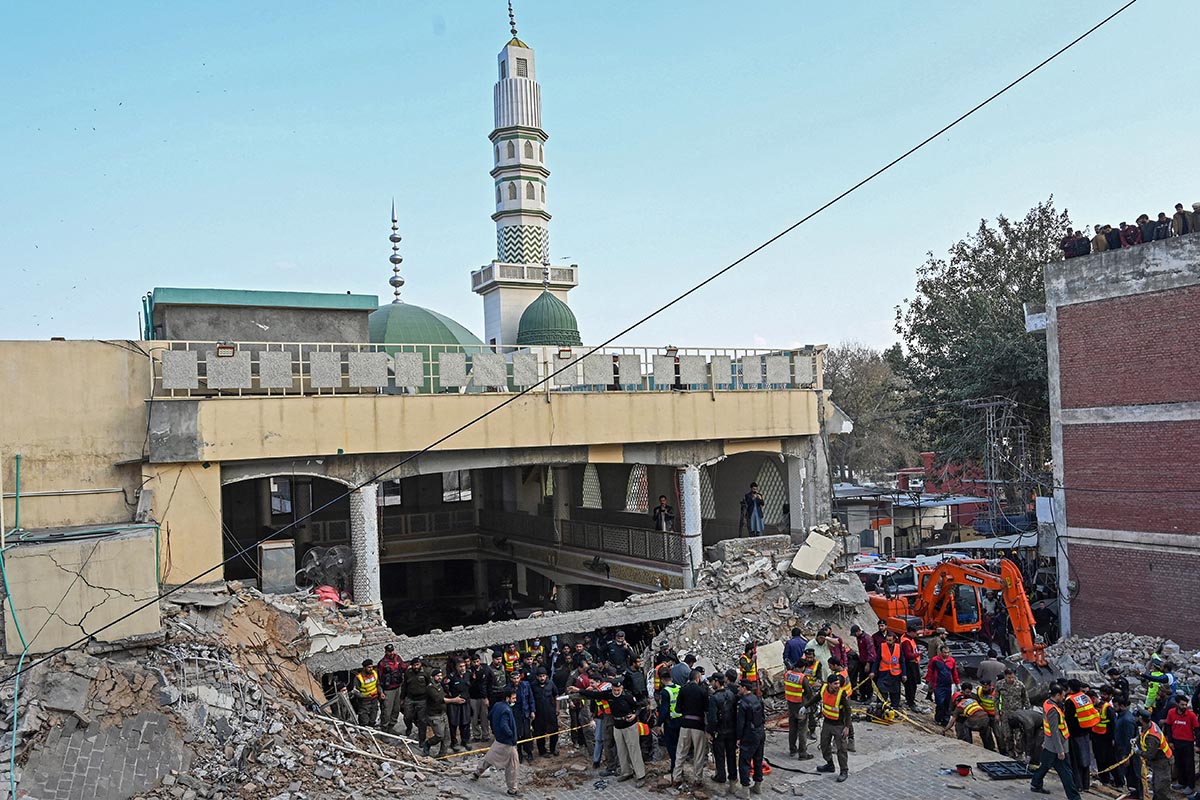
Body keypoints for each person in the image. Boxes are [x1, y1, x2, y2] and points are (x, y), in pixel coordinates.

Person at [571, 676, 647, 786]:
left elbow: (638, 707)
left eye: (618, 690)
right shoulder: (608, 694)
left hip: (629, 726)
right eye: (615, 690)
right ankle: (626, 772)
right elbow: (593, 695)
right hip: (617, 726)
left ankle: (641, 775)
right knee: (621, 751)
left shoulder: (627, 696)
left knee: (634, 750)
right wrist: (579, 690)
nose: (616, 692)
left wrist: (635, 715)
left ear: (622, 688)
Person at [1030, 683, 1082, 800]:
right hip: (1057, 746)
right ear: (1057, 695)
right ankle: (1074, 797)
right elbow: (1055, 731)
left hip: (1050, 744)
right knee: (1066, 773)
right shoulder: (1053, 710)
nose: (1064, 697)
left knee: (1045, 765)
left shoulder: (1047, 703)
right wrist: (1060, 750)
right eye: (1062, 695)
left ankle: (1035, 783)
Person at [472, 685, 521, 797]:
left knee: (489, 758)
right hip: (508, 742)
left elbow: (490, 716)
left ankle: (477, 773)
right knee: (512, 766)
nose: (515, 700)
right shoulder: (506, 710)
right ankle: (512, 789)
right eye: (513, 698)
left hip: (498, 740)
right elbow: (504, 725)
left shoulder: (497, 705)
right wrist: (511, 734)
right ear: (507, 698)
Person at [673, 669, 710, 787]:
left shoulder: (683, 690)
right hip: (698, 725)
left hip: (685, 724)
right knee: (698, 753)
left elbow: (677, 709)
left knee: (681, 752)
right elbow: (707, 709)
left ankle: (676, 777)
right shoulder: (702, 691)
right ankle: (697, 779)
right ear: (698, 678)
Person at [1063, 679, 1098, 791]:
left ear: (1070, 688)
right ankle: (1085, 784)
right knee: (1085, 759)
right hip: (1086, 731)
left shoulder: (1070, 701)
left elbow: (1068, 719)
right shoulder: (1085, 697)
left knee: (1076, 761)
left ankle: (1078, 785)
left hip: (1075, 734)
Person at [816, 672, 851, 783]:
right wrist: (805, 707)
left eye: (838, 683)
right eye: (835, 684)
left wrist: (847, 727)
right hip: (827, 723)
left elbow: (848, 711)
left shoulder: (841, 694)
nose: (837, 685)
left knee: (841, 749)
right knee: (824, 745)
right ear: (829, 684)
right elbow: (817, 698)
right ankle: (830, 765)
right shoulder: (824, 689)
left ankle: (844, 771)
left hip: (839, 726)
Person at [707, 673, 739, 787]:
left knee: (719, 755)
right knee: (731, 755)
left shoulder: (714, 698)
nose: (711, 684)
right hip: (731, 730)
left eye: (712, 682)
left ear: (716, 682)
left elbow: (712, 718)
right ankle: (733, 777)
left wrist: (709, 732)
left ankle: (721, 776)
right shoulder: (731, 694)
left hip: (719, 731)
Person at [736, 679, 767, 796]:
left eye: (740, 687)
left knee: (744, 761)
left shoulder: (743, 703)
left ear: (744, 688)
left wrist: (738, 738)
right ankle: (758, 786)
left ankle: (745, 791)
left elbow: (741, 723)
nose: (738, 689)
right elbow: (763, 716)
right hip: (760, 732)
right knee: (758, 759)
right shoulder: (757, 699)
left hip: (749, 735)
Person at [1136, 708, 1174, 800]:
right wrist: (1137, 740)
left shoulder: (1152, 736)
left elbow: (1150, 755)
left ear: (1141, 720)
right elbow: (1143, 735)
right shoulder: (1150, 725)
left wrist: (1138, 752)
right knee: (1156, 785)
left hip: (1163, 762)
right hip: (1158, 761)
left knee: (1161, 788)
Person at [945, 682, 994, 750]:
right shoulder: (956, 698)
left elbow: (979, 706)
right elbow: (951, 711)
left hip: (975, 717)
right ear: (962, 691)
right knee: (962, 729)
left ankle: (989, 747)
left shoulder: (973, 696)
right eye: (967, 692)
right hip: (961, 718)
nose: (969, 694)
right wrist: (961, 713)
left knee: (985, 730)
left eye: (970, 692)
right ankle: (966, 744)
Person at [1166, 695, 1197, 792]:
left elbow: (1197, 729)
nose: (1184, 706)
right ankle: (1182, 782)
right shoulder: (1171, 713)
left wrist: (1198, 745)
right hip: (1176, 742)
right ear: (1177, 704)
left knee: (1189, 764)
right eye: (1182, 704)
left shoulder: (1191, 715)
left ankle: (1190, 785)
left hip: (1188, 743)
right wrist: (1170, 741)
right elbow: (1168, 726)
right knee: (1179, 763)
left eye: (1185, 705)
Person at [997, 668, 1030, 754]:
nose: (1011, 679)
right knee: (1008, 736)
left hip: (1018, 715)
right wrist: (997, 713)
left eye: (1012, 677)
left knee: (1019, 736)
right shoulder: (1000, 685)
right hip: (1005, 714)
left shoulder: (1020, 685)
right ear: (1005, 676)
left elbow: (1026, 700)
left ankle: (1019, 753)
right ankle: (1010, 753)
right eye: (1009, 677)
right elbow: (996, 700)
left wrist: (1027, 714)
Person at [658, 667, 683, 773]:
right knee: (680, 746)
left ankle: (674, 768)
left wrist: (659, 723)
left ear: (662, 680)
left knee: (672, 746)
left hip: (671, 722)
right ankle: (679, 767)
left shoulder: (665, 692)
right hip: (681, 720)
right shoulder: (679, 688)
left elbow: (664, 710)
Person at [1111, 696, 1138, 795]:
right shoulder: (1121, 716)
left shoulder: (1127, 720)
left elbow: (1128, 740)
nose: (1114, 708)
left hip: (1125, 750)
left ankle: (1135, 792)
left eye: (1115, 706)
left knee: (1130, 772)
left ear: (1122, 706)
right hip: (1120, 747)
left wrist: (1126, 756)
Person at [424, 667, 453, 758]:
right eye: (437, 676)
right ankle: (428, 743)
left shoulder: (440, 685)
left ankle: (442, 755)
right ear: (432, 677)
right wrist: (454, 700)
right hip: (434, 715)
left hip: (443, 713)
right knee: (440, 736)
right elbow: (439, 699)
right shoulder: (430, 688)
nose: (440, 677)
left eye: (441, 675)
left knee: (447, 737)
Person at [530, 668, 560, 757]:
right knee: (539, 733)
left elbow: (556, 695)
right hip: (538, 714)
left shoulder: (550, 683)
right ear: (537, 677)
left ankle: (553, 749)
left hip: (550, 712)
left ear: (546, 676)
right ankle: (542, 751)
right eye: (540, 676)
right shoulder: (533, 686)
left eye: (543, 676)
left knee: (554, 731)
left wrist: (557, 708)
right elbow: (530, 699)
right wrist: (532, 711)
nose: (542, 678)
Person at [402, 655, 432, 742]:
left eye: (417, 665)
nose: (416, 667)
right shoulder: (408, 673)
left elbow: (429, 685)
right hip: (410, 698)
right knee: (407, 717)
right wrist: (402, 698)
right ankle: (409, 728)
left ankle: (422, 739)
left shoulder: (425, 672)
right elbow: (405, 685)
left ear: (420, 664)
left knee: (422, 720)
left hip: (422, 699)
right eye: (414, 665)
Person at [446, 659, 472, 752]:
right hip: (455, 703)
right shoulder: (451, 676)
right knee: (453, 723)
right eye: (460, 666)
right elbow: (444, 685)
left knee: (465, 723)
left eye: (464, 666)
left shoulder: (468, 674)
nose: (462, 668)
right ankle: (454, 742)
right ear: (456, 667)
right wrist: (450, 696)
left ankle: (465, 741)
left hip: (465, 702)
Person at [1091, 685, 1115, 786]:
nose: (1102, 696)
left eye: (1104, 694)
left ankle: (1110, 778)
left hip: (1106, 736)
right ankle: (1103, 777)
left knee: (1107, 758)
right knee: (1099, 758)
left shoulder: (1107, 707)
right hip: (1096, 735)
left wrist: (1113, 738)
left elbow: (1113, 723)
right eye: (1102, 694)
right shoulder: (1098, 705)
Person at [875, 630, 904, 711]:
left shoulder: (898, 647)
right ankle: (881, 707)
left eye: (890, 640)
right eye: (887, 640)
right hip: (883, 673)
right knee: (882, 691)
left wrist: (904, 674)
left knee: (895, 692)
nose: (888, 642)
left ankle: (894, 707)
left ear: (894, 640)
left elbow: (902, 661)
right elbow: (877, 660)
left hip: (895, 674)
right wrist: (873, 671)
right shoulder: (882, 646)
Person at [378, 645, 404, 732]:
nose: (391, 653)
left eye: (392, 651)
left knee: (396, 710)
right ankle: (384, 729)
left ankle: (391, 727)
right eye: (389, 651)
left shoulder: (398, 658)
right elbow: (379, 679)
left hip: (398, 688)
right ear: (386, 652)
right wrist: (381, 692)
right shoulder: (382, 663)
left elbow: (404, 667)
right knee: (387, 712)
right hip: (388, 690)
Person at [511, 671, 535, 762]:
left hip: (525, 713)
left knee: (527, 734)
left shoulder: (526, 686)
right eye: (514, 679)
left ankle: (529, 752)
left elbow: (531, 698)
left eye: (517, 678)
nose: (516, 680)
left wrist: (532, 711)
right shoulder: (508, 688)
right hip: (514, 714)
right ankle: (519, 753)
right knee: (517, 734)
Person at [849, 624, 876, 702]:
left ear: (858, 631)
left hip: (869, 662)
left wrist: (868, 663)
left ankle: (869, 697)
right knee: (861, 680)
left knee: (868, 681)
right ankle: (863, 696)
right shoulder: (859, 638)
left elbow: (870, 651)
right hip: (862, 661)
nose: (854, 636)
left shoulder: (867, 638)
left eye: (855, 634)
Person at [468, 655, 491, 742]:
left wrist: (486, 697)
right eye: (474, 662)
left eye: (477, 661)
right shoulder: (469, 671)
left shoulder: (485, 669)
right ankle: (476, 735)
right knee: (474, 718)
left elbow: (488, 682)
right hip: (473, 697)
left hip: (483, 697)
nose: (476, 663)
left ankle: (486, 735)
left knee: (484, 717)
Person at [976, 678, 1003, 754]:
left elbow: (1000, 704)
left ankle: (1003, 750)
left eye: (986, 687)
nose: (984, 689)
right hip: (985, 715)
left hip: (995, 715)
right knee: (985, 732)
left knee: (998, 734)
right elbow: (978, 700)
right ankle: (989, 748)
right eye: (983, 687)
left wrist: (999, 714)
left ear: (990, 686)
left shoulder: (996, 693)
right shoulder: (979, 690)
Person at [352, 659, 381, 727]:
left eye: (371, 667)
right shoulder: (359, 678)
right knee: (364, 721)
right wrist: (364, 696)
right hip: (364, 702)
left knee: (373, 718)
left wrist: (381, 692)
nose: (371, 669)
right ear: (364, 668)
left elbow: (378, 684)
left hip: (374, 700)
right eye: (369, 667)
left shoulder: (374, 674)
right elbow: (355, 691)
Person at [900, 625, 921, 710]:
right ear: (911, 632)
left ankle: (910, 700)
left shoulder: (909, 639)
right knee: (911, 684)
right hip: (910, 665)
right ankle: (910, 702)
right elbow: (908, 655)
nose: (916, 635)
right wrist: (918, 653)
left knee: (912, 684)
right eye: (916, 633)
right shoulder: (906, 641)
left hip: (912, 664)